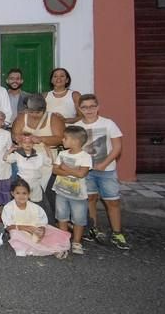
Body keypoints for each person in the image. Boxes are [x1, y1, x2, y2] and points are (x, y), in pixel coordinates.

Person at [73, 94, 129, 250]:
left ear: (98, 107)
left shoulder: (109, 124)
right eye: (85, 107)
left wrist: (104, 163)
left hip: (107, 170)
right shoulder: (78, 126)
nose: (89, 110)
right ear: (79, 109)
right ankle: (93, 228)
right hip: (87, 171)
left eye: (92, 106)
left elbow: (117, 147)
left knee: (112, 201)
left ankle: (117, 233)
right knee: (90, 199)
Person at [11, 94, 64, 220]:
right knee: (25, 188)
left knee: (43, 190)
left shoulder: (54, 118)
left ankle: (44, 218)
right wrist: (19, 138)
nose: (34, 115)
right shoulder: (22, 117)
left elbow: (61, 139)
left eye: (38, 112)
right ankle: (24, 217)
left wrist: (41, 139)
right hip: (26, 157)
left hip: (46, 156)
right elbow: (14, 135)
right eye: (31, 111)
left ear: (44, 110)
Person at [2, 178, 71, 258]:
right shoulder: (8, 207)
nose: (21, 196)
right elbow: (8, 227)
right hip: (20, 231)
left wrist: (41, 231)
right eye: (18, 193)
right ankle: (52, 251)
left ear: (29, 194)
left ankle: (50, 248)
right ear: (12, 193)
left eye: (24, 193)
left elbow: (42, 222)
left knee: (50, 234)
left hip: (35, 230)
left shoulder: (35, 207)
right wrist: (27, 228)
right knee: (15, 235)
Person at [52, 125, 92, 255]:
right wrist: (71, 171)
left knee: (78, 219)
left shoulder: (85, 156)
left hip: (78, 195)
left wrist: (65, 168)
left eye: (65, 138)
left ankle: (76, 241)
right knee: (62, 217)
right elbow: (55, 169)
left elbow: (82, 174)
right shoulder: (62, 153)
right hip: (61, 191)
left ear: (75, 141)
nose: (62, 140)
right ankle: (64, 241)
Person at [4, 133, 51, 206]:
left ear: (33, 144)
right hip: (23, 183)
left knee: (36, 203)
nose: (27, 144)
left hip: (35, 183)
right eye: (25, 142)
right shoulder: (18, 155)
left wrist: (48, 150)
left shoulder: (39, 155)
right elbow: (5, 158)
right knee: (22, 202)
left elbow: (50, 162)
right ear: (21, 144)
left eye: (30, 142)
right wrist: (11, 149)